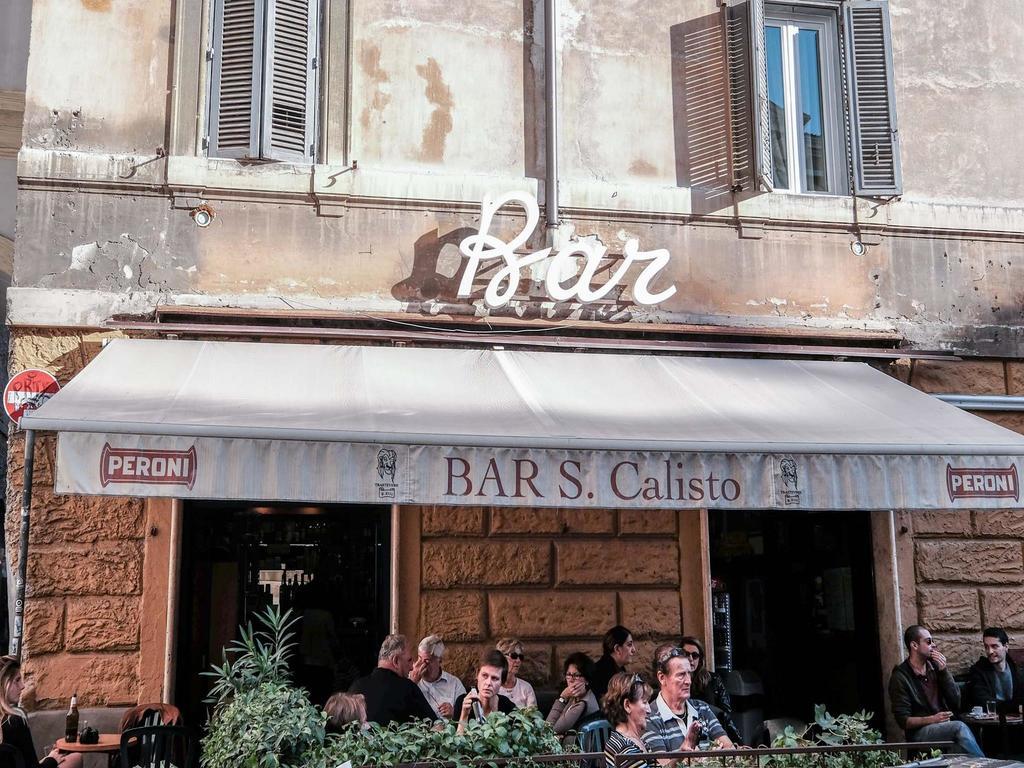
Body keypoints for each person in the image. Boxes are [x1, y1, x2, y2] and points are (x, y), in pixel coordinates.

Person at [888, 624, 983, 756]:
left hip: (944, 725)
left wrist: (944, 672)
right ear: (914, 646)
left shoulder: (935, 668)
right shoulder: (901, 677)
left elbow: (956, 702)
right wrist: (933, 719)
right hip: (920, 732)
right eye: (928, 641)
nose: (933, 645)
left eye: (933, 641)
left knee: (967, 729)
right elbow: (903, 721)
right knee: (958, 727)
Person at [644, 645, 732, 755]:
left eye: (689, 674)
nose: (688, 681)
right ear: (662, 678)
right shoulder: (650, 717)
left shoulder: (702, 708)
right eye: (681, 675)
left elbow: (729, 749)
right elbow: (662, 764)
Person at [0, 656, 82, 768]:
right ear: (3, 684)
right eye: (17, 680)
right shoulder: (14, 721)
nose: (23, 686)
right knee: (75, 758)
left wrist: (48, 758)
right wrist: (52, 760)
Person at [349, 634, 437, 725]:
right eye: (409, 660)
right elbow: (436, 726)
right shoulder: (407, 688)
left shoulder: (356, 687)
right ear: (395, 661)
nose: (412, 667)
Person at [679, 636, 741, 744]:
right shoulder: (677, 683)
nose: (690, 659)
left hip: (712, 733)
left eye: (695, 655)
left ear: (700, 659)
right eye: (685, 654)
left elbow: (724, 713)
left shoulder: (713, 680)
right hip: (684, 732)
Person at [602, 672, 657, 768]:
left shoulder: (636, 741)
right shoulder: (625, 749)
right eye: (644, 702)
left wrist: (680, 755)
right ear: (627, 705)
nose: (649, 710)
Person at [455, 650, 516, 733]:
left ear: (502, 682)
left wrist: (496, 713)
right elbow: (456, 743)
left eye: (494, 678)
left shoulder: (508, 707)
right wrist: (464, 715)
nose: (488, 683)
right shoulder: (463, 701)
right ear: (477, 675)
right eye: (484, 676)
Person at [547, 652, 601, 740]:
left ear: (587, 680)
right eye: (568, 675)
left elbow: (549, 730)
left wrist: (562, 698)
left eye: (576, 675)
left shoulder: (583, 703)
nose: (571, 680)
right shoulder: (574, 698)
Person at [967, 627, 1024, 711]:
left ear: (1006, 646)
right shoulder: (979, 670)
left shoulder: (1017, 669)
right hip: (991, 721)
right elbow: (981, 700)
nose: (989, 651)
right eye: (986, 647)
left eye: (994, 646)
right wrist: (1015, 707)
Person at [410, 634, 466, 719]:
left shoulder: (455, 684)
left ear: (440, 660)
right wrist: (412, 684)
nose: (422, 665)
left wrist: (454, 713)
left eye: (427, 661)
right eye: (419, 658)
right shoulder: (410, 682)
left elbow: (466, 717)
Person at [593, 625, 637, 701]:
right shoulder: (600, 674)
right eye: (629, 645)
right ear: (617, 649)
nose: (634, 650)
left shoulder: (620, 670)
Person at [496, 637, 537, 709]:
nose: (518, 660)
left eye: (520, 657)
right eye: (514, 656)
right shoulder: (493, 685)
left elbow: (533, 717)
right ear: (501, 657)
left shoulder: (526, 688)